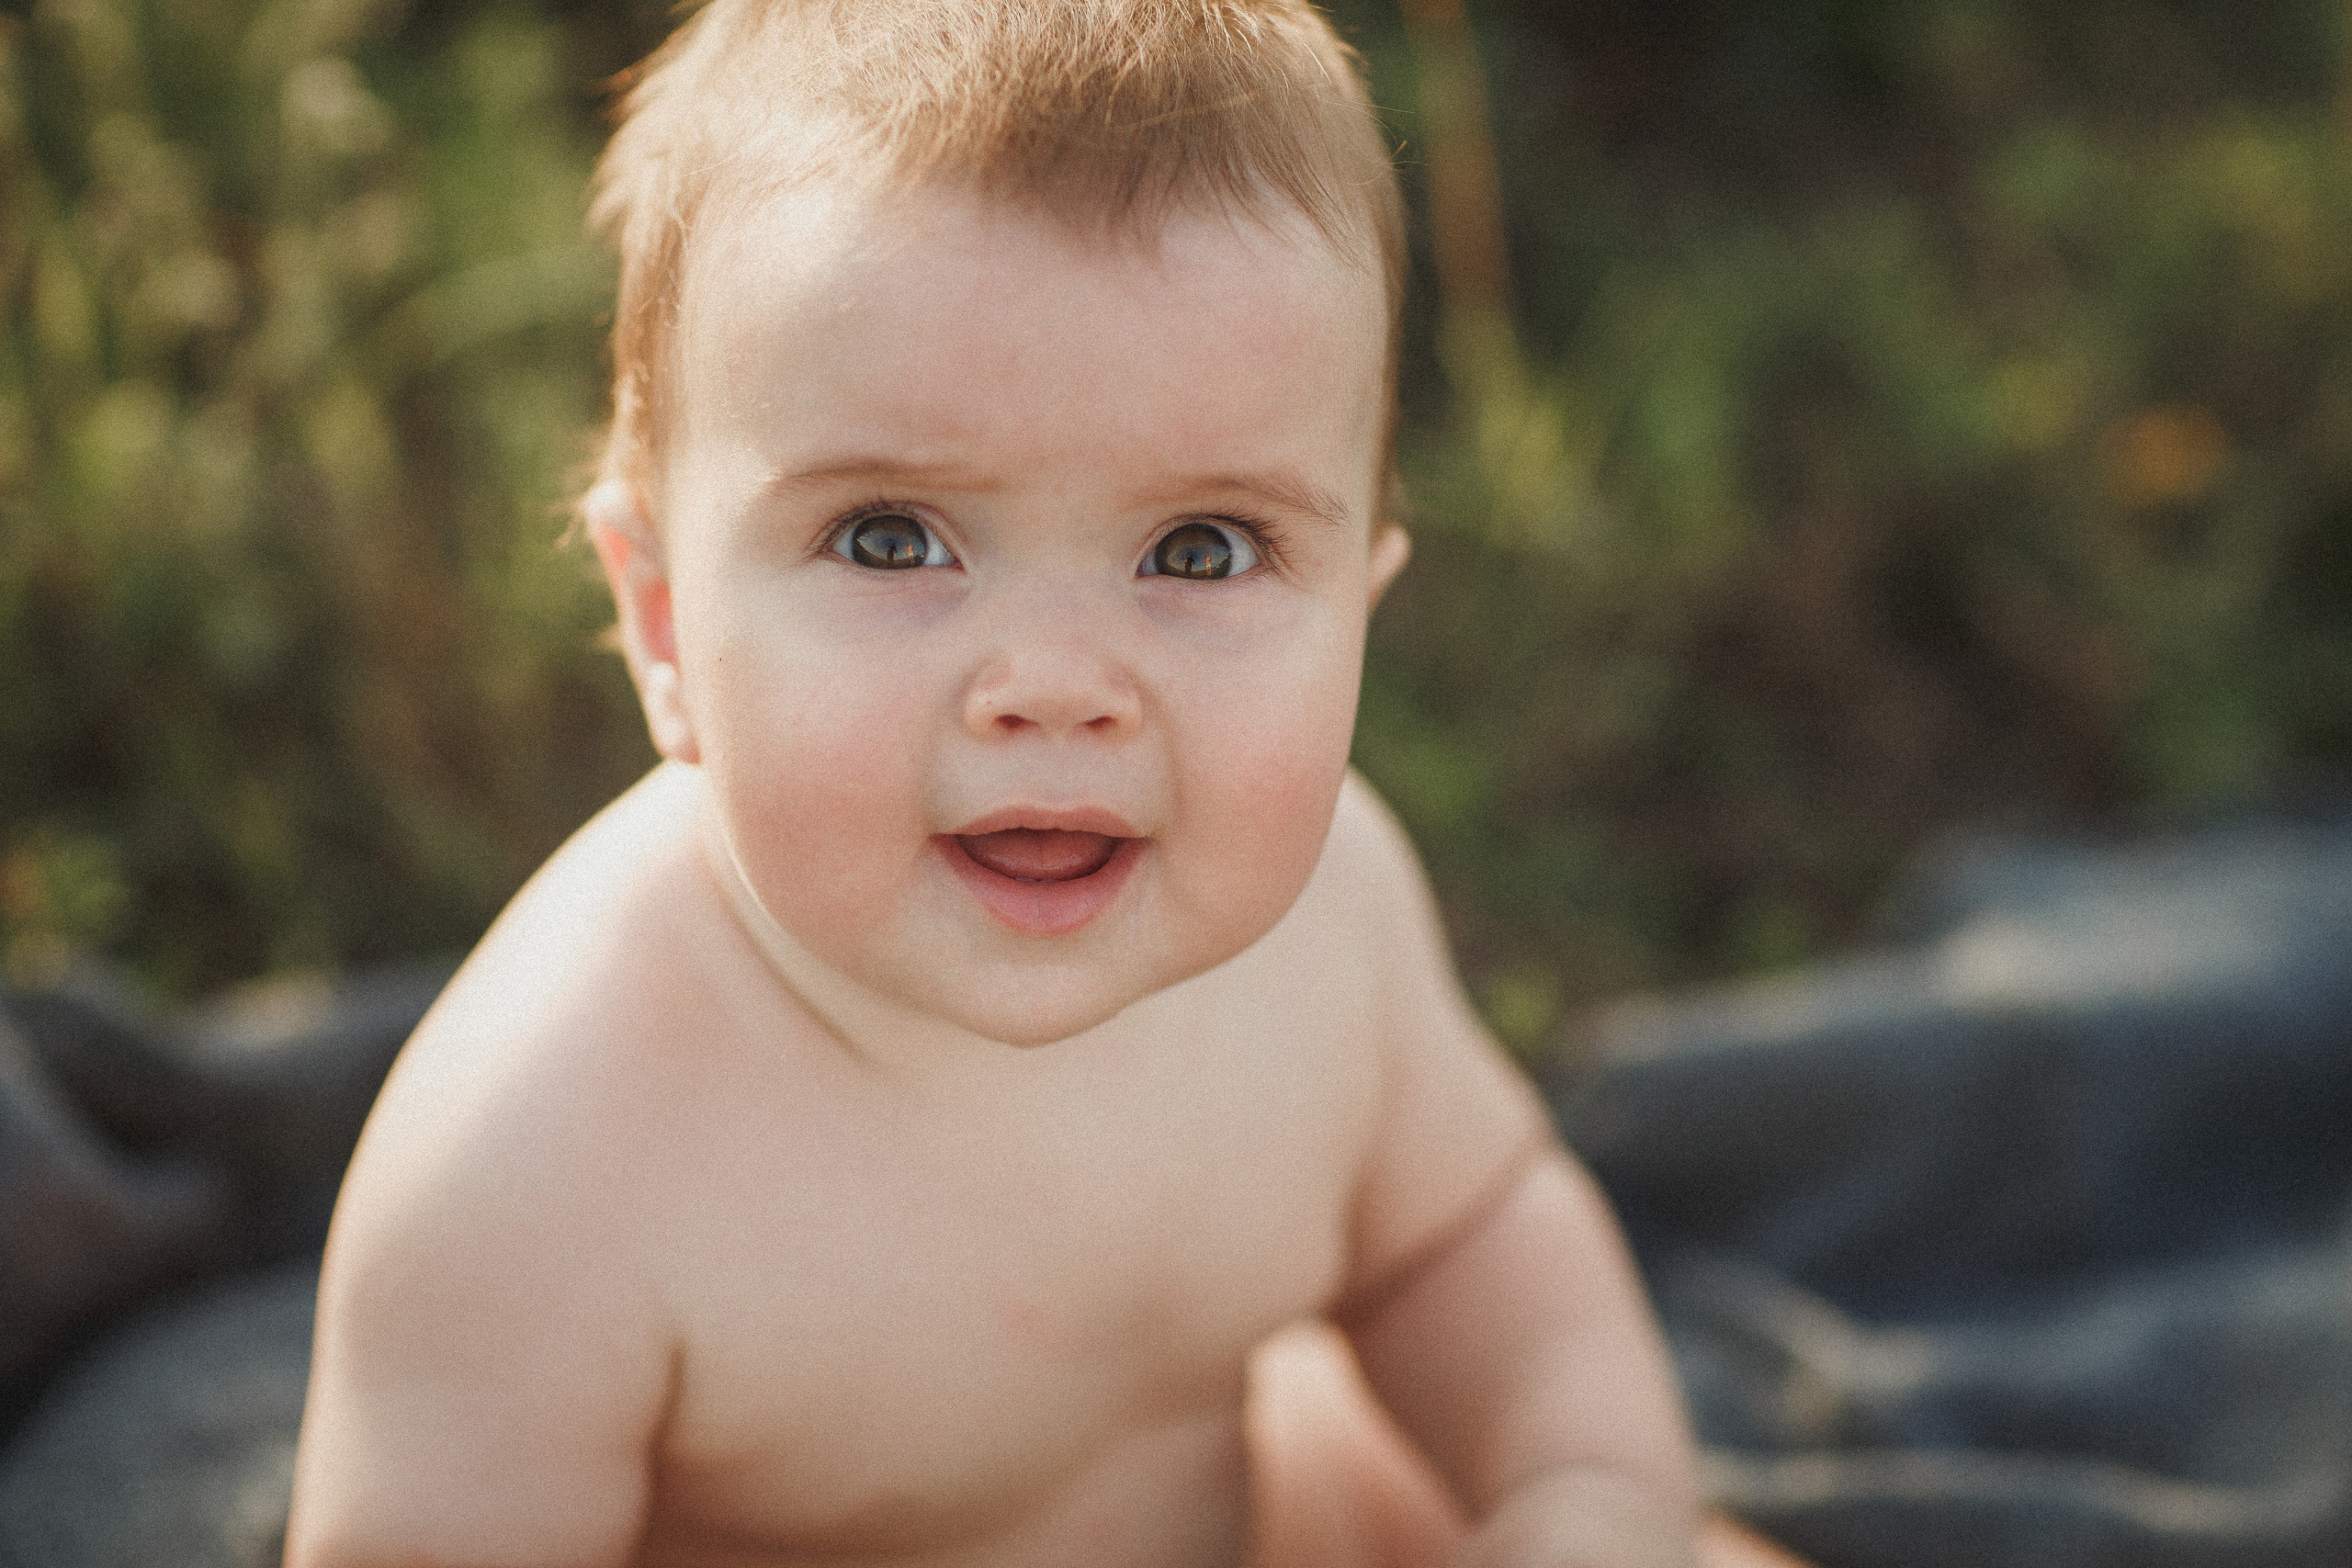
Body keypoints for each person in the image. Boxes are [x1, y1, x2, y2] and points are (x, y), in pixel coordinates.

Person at [283, 5, 1797, 1564]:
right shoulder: (545, 1162)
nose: (1059, 687)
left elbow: (1461, 1237)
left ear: (1360, 601)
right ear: (665, 623)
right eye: (892, 538)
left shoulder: (1329, 918)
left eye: (1199, 549)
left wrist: (1585, 1495)